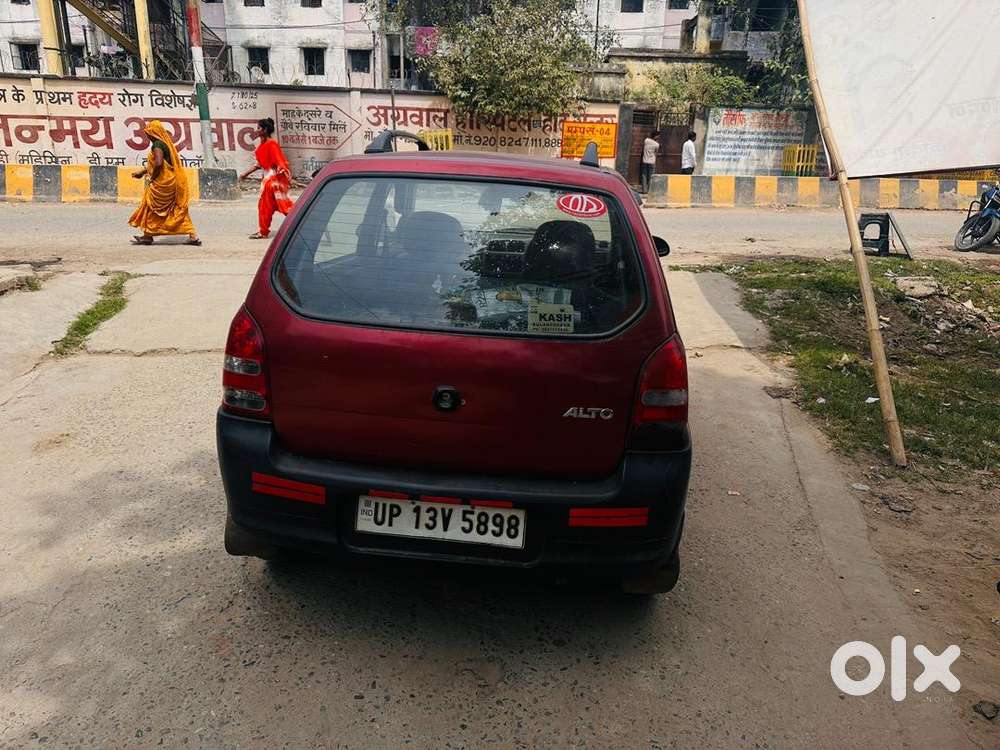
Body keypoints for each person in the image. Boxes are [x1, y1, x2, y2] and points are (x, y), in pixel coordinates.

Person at [129, 120, 200, 245]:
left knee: (151, 207)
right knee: (176, 209)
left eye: (148, 133)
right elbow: (162, 164)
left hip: (162, 183)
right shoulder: (166, 144)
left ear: (152, 132)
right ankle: (192, 235)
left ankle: (148, 235)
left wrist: (153, 177)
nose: (147, 136)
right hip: (171, 181)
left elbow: (158, 163)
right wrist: (142, 172)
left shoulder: (157, 145)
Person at [240, 117, 294, 240]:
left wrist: (283, 173)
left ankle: (264, 231)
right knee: (278, 206)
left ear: (264, 130)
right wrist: (246, 174)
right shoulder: (263, 145)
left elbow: (280, 162)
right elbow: (260, 164)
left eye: (258, 128)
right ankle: (264, 230)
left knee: (268, 206)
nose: (256, 130)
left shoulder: (272, 144)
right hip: (268, 179)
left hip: (272, 180)